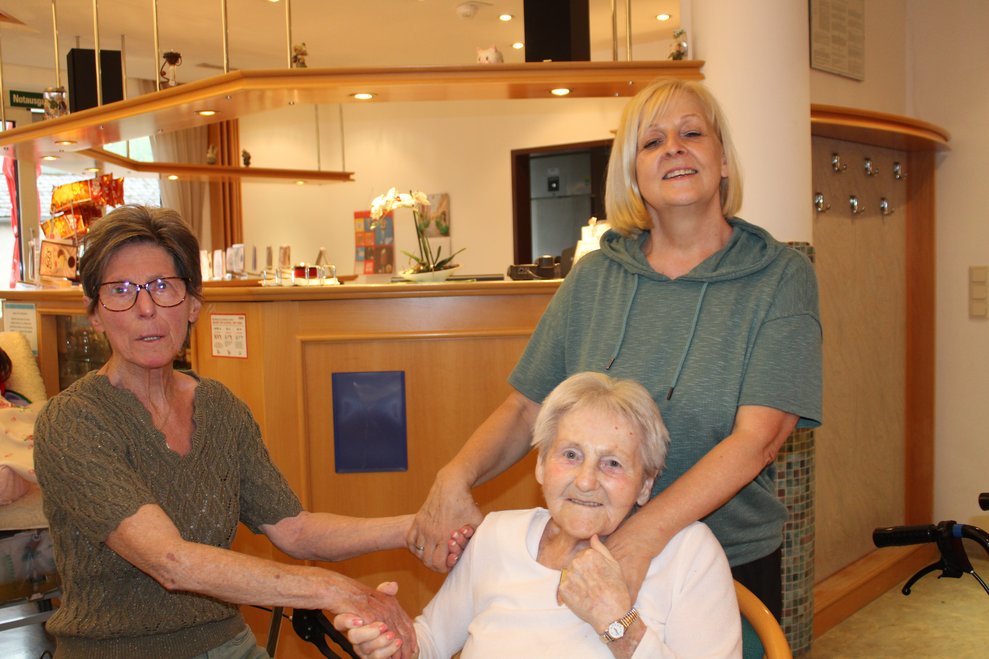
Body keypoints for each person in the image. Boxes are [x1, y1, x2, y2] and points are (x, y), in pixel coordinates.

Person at [409, 78, 822, 618]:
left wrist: (638, 539)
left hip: (724, 565)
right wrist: (453, 477)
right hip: (589, 554)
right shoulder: (594, 277)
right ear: (633, 175)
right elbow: (526, 407)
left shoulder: (780, 277)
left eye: (691, 133)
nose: (673, 148)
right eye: (651, 142)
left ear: (722, 159)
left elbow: (757, 441)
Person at [33, 205, 445, 658]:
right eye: (121, 291)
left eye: (163, 286)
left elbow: (294, 529)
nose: (146, 308)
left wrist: (416, 528)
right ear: (94, 313)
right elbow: (171, 561)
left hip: (228, 644)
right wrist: (337, 591)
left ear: (193, 304)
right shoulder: (73, 422)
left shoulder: (219, 408)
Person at [337, 372, 742, 658]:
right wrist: (395, 642)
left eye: (613, 463)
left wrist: (619, 623)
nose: (586, 481)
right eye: (571, 455)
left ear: (646, 485)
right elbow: (429, 644)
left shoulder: (689, 554)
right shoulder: (497, 536)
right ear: (541, 466)